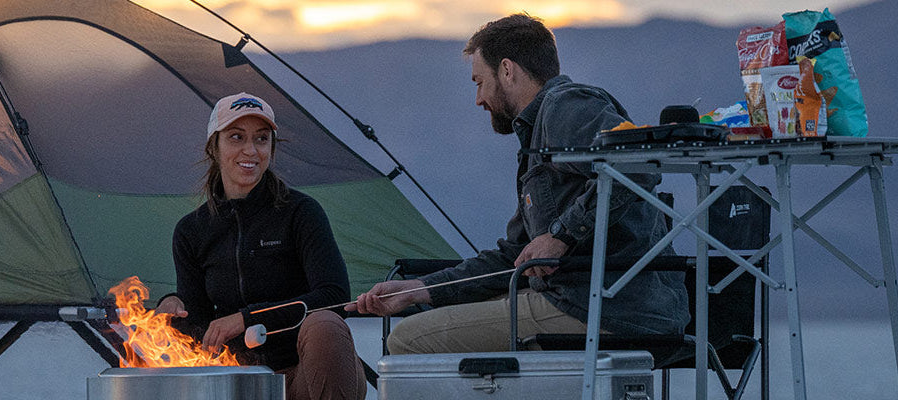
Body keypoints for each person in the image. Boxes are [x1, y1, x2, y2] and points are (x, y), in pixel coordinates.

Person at [348, 14, 690, 355]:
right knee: (430, 320)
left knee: (407, 339)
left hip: (609, 309)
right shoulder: (537, 133)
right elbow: (514, 255)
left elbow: (636, 165)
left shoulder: (565, 106)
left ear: (507, 70)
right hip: (586, 301)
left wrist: (561, 235)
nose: (478, 98)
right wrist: (420, 289)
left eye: (479, 82)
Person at [155, 92, 366, 400]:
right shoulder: (191, 230)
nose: (250, 150)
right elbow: (198, 328)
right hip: (240, 381)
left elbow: (334, 297)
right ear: (214, 147)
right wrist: (173, 305)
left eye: (262, 139)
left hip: (305, 374)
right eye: (236, 137)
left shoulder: (300, 212)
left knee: (325, 324)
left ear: (272, 148)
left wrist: (247, 318)